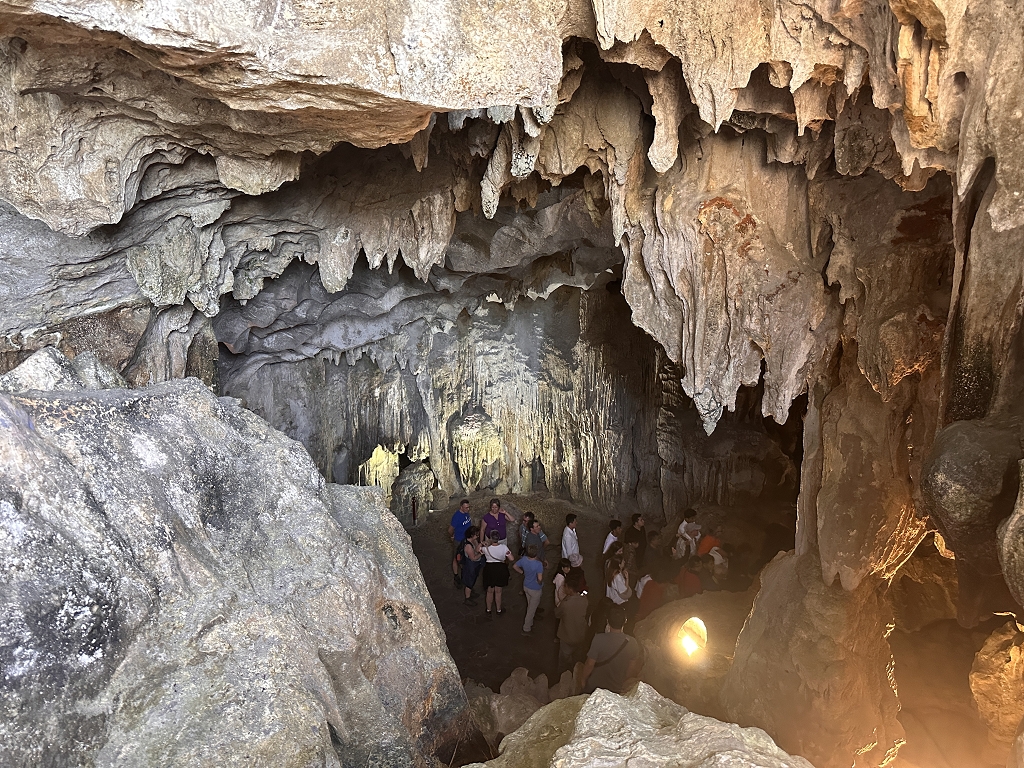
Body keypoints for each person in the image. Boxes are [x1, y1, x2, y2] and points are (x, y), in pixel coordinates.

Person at [580, 604, 642, 694]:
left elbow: (589, 664)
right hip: (616, 688)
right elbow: (631, 670)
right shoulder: (632, 643)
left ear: (608, 621)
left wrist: (583, 679)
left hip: (595, 687)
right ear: (625, 620)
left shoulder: (598, 639)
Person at [555, 572, 589, 671]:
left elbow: (557, 614)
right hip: (580, 634)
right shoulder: (584, 600)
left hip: (567, 636)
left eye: (565, 586)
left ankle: (562, 677)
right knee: (577, 658)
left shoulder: (565, 604)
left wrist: (565, 599)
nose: (563, 588)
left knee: (564, 660)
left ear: (570, 589)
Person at [513, 544, 545, 635]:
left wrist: (522, 572)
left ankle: (530, 622)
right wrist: (540, 583)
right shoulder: (538, 564)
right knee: (531, 609)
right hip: (535, 588)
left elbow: (515, 566)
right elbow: (539, 578)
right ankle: (526, 628)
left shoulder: (523, 559)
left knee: (530, 604)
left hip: (526, 586)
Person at [482, 529, 514, 617]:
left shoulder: (486, 548)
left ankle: (488, 610)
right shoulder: (504, 547)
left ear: (491, 538)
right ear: (498, 538)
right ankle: (498, 610)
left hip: (489, 569)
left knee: (489, 591)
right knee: (498, 591)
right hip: (500, 569)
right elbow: (511, 558)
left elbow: (478, 550)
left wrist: (483, 543)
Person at [448, 499, 473, 588]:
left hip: (466, 540)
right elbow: (450, 529)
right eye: (466, 508)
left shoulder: (466, 514)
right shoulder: (457, 516)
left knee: (465, 557)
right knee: (456, 557)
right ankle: (456, 575)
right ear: (461, 507)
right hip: (459, 540)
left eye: (468, 507)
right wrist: (452, 536)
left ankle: (464, 574)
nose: (468, 509)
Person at [461, 526, 484, 606]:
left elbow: (476, 549)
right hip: (470, 565)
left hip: (475, 565)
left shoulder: (473, 541)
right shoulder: (468, 546)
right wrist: (481, 554)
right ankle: (467, 598)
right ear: (471, 535)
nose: (477, 536)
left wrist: (481, 544)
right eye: (476, 535)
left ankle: (470, 593)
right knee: (469, 582)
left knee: (473, 578)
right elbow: (473, 558)